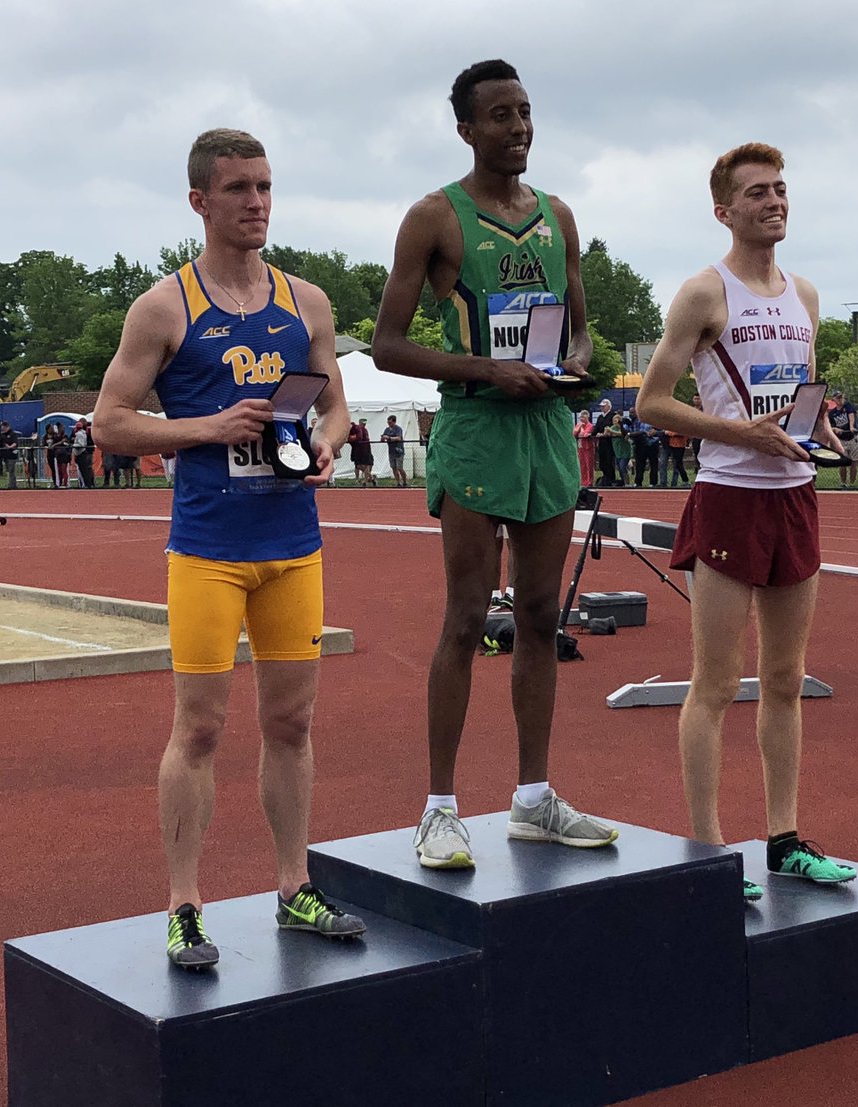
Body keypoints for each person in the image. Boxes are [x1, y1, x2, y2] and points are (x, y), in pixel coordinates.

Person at [92, 127, 364, 968]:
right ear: (200, 201)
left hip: (293, 544)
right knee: (201, 727)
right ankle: (184, 904)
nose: (257, 202)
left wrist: (327, 442)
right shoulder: (163, 307)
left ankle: (294, 885)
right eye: (240, 188)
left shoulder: (306, 301)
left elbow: (335, 404)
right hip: (208, 548)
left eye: (265, 186)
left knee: (292, 720)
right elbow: (109, 422)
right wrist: (209, 427)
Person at [371, 59, 617, 869]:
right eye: (502, 115)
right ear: (467, 129)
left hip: (546, 427)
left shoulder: (558, 216)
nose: (519, 128)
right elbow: (388, 345)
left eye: (526, 112)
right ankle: (439, 809)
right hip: (477, 428)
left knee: (542, 615)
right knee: (468, 617)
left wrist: (574, 362)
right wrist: (488, 369)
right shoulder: (433, 218)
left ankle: (533, 798)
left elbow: (581, 327)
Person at [636, 141, 855, 902]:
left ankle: (784, 839)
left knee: (786, 679)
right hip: (729, 494)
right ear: (724, 210)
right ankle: (707, 849)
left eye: (781, 189)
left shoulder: (806, 295)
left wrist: (818, 429)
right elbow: (652, 403)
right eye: (758, 192)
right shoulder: (704, 292)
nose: (775, 201)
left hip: (794, 494)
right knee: (718, 682)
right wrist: (743, 434)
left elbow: (797, 397)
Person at [828, 391, 858, 487]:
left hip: (852, 437)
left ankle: (852, 484)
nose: (840, 400)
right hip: (841, 439)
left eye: (841, 397)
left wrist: (851, 427)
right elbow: (829, 427)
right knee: (842, 462)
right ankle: (843, 483)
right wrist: (835, 429)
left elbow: (851, 415)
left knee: (853, 462)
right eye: (838, 398)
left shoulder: (847, 406)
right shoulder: (832, 413)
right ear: (833, 399)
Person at [593, 398, 618, 486]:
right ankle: (605, 477)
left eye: (604, 406)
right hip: (601, 442)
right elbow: (596, 428)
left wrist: (605, 433)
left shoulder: (613, 415)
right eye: (601, 406)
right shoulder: (600, 417)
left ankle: (611, 479)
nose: (602, 408)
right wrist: (593, 433)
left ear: (608, 406)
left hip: (610, 442)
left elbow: (613, 427)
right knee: (602, 461)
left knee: (609, 460)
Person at [628, 408, 654, 488]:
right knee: (639, 465)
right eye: (630, 413)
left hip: (650, 444)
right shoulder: (633, 421)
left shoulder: (647, 420)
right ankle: (638, 482)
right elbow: (630, 431)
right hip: (639, 445)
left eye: (633, 412)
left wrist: (630, 434)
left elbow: (643, 432)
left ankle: (653, 482)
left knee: (653, 464)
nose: (631, 414)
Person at [381, 414, 407, 487]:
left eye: (390, 422)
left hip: (399, 451)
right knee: (393, 468)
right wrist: (383, 438)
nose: (389, 424)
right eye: (388, 422)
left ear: (394, 422)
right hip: (391, 452)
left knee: (400, 468)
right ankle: (398, 482)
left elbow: (398, 438)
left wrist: (389, 438)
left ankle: (405, 482)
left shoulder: (398, 429)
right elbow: (383, 438)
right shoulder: (387, 429)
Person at [347, 418, 374, 485]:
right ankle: (369, 477)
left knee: (366, 465)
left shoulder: (364, 430)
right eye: (362, 423)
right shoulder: (356, 428)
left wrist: (351, 438)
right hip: (357, 449)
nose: (363, 425)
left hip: (365, 449)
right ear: (359, 423)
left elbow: (359, 437)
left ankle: (366, 480)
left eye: (364, 424)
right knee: (357, 465)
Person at [607, 411, 631, 486]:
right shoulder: (612, 427)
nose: (615, 422)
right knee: (619, 468)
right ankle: (622, 482)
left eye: (616, 420)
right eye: (613, 421)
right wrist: (607, 430)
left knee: (622, 467)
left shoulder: (623, 427)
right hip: (617, 451)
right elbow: (607, 433)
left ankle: (627, 483)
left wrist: (612, 431)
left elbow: (622, 433)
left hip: (625, 451)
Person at [572, 409, 595, 487]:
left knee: (589, 465)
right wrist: (579, 427)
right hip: (580, 447)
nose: (581, 419)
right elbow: (574, 433)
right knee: (582, 465)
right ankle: (583, 481)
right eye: (580, 417)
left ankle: (589, 481)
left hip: (588, 447)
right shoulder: (578, 425)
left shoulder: (590, 425)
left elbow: (584, 434)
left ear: (587, 417)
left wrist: (581, 429)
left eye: (583, 417)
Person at [71, 418, 96, 488]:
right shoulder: (83, 433)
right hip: (81, 452)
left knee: (84, 470)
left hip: (81, 452)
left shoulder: (80, 434)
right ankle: (86, 483)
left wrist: (74, 445)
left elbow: (81, 444)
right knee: (84, 470)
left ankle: (87, 484)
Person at [0, 421, 20, 489]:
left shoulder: (13, 434)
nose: (2, 429)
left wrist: (10, 447)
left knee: (11, 470)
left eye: (3, 427)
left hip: (12, 455)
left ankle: (12, 485)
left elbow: (15, 443)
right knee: (8, 470)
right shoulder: (2, 435)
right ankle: (10, 484)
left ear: (6, 427)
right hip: (5, 456)